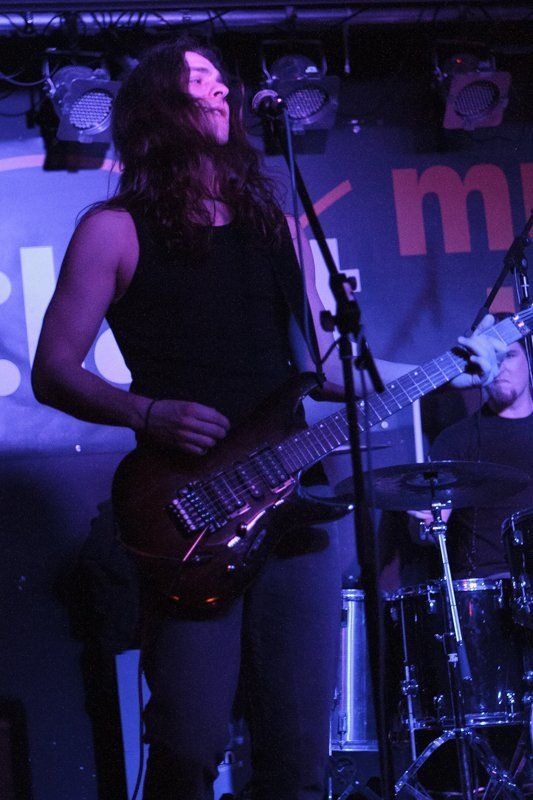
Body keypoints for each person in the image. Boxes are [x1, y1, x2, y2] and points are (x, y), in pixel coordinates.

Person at [31, 37, 505, 800]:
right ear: (156, 107)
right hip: (189, 511)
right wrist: (146, 412)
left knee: (298, 759)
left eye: (221, 82)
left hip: (295, 506)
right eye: (198, 82)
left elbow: (329, 370)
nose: (220, 92)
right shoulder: (113, 230)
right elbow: (53, 369)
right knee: (189, 745)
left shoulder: (277, 227)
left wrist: (450, 362)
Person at [415, 326, 533, 579]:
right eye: (493, 358)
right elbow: (431, 528)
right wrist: (426, 521)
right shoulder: (455, 439)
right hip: (491, 582)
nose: (500, 367)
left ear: (529, 360)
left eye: (509, 356)